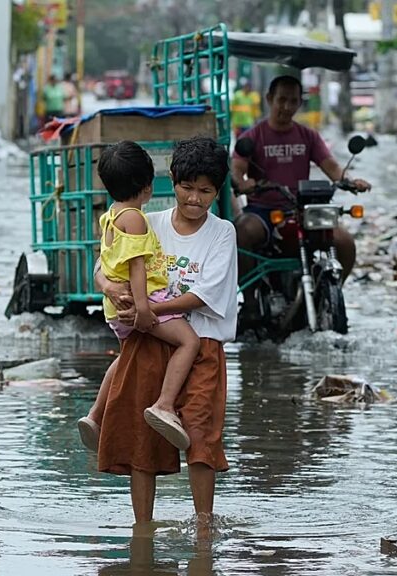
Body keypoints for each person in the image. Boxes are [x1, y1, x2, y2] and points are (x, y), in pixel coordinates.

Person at [91, 137, 237, 531]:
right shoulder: (146, 220)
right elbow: (103, 264)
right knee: (143, 440)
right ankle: (143, 529)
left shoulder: (222, 233)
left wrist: (147, 309)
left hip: (202, 343)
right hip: (149, 341)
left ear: (218, 191)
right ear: (171, 181)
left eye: (205, 191)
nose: (194, 199)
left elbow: (203, 295)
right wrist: (110, 288)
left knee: (200, 436)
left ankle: (203, 525)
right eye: (187, 188)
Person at [77, 141, 202, 451]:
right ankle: (164, 404)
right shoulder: (135, 218)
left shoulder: (110, 215)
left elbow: (107, 261)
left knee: (125, 358)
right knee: (189, 342)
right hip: (142, 301)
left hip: (114, 307)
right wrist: (145, 310)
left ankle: (95, 415)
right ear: (147, 186)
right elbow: (136, 267)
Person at [230, 75, 370, 301]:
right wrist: (243, 183)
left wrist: (351, 181)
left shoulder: (308, 136)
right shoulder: (253, 136)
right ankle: (250, 302)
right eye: (281, 100)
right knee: (242, 233)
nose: (287, 107)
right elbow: (237, 169)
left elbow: (332, 167)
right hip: (264, 211)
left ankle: (331, 298)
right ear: (269, 99)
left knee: (345, 242)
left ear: (299, 103)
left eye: (293, 101)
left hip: (302, 210)